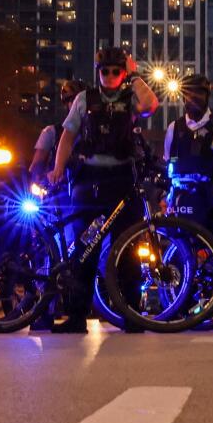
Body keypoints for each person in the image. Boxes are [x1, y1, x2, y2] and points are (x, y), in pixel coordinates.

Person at [47, 46, 160, 332]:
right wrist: (58, 167)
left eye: (116, 71)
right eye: (104, 71)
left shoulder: (130, 95)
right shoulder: (85, 99)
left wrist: (135, 76)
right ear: (98, 73)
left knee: (129, 249)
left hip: (122, 179)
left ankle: (132, 315)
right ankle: (76, 316)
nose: (109, 76)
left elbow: (151, 105)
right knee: (85, 250)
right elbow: (69, 134)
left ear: (123, 72)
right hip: (89, 181)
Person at [163, 74, 213, 252]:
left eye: (199, 94)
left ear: (207, 97)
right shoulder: (174, 128)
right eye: (189, 94)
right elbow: (168, 165)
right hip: (180, 205)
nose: (194, 98)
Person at [28, 79, 78, 184]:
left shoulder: (94, 131)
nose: (78, 106)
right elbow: (36, 164)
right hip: (57, 186)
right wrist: (39, 179)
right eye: (73, 101)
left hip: (85, 185)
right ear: (67, 104)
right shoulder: (51, 132)